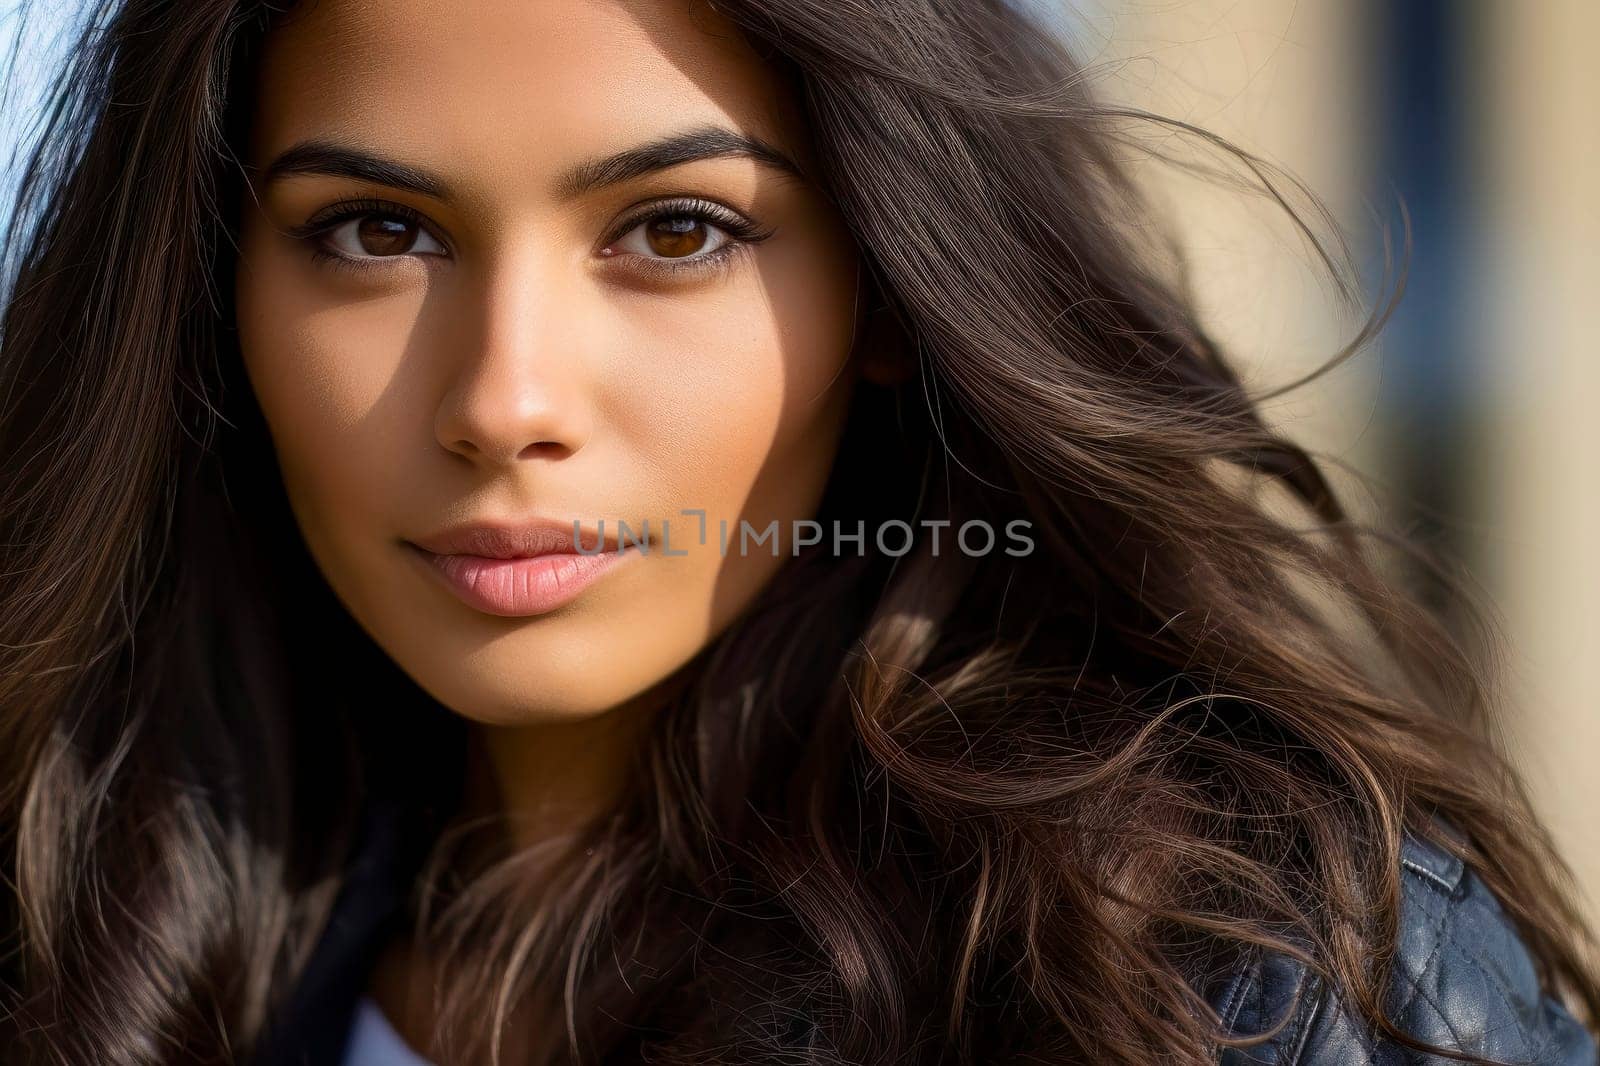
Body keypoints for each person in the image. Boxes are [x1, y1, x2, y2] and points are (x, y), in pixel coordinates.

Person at [0, 0, 1596, 1063]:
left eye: (675, 230)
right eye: (377, 231)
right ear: (214, 294)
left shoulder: (1232, 978)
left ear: (887, 289)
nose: (501, 398)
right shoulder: (72, 925)